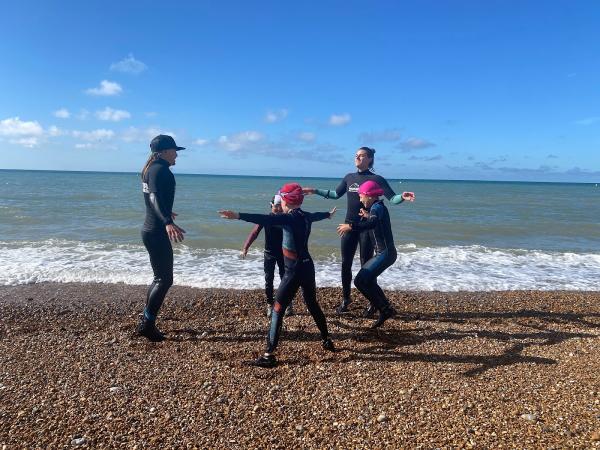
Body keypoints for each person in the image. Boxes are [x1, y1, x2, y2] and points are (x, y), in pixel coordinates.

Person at [219, 183, 337, 368]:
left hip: (293, 271)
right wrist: (328, 214)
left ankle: (268, 355)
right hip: (308, 267)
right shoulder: (306, 216)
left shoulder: (288, 219)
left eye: (281, 198)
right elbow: (318, 215)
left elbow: (264, 219)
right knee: (312, 304)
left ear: (285, 200)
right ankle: (326, 339)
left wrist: (238, 216)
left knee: (277, 309)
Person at [303, 147, 414, 315]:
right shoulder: (349, 177)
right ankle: (346, 299)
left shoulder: (377, 179)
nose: (357, 158)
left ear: (369, 159)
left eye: (361, 155)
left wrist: (403, 197)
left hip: (367, 227)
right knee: (345, 264)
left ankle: (372, 302)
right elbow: (335, 194)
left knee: (366, 265)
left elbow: (392, 198)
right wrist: (315, 191)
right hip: (349, 225)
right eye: (356, 155)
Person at [137, 134, 186, 342]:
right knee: (164, 279)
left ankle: (147, 321)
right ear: (164, 152)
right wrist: (166, 220)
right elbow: (155, 197)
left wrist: (166, 212)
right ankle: (148, 325)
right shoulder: (160, 170)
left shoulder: (152, 169)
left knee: (160, 278)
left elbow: (152, 199)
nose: (177, 154)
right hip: (156, 231)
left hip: (151, 229)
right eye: (174, 150)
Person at [336, 180, 399, 328]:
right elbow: (374, 221)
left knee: (360, 281)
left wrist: (350, 226)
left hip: (385, 253)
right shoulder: (377, 208)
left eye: (361, 196)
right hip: (385, 253)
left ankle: (384, 309)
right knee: (367, 280)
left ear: (369, 196)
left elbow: (372, 224)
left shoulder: (377, 208)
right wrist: (367, 215)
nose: (360, 199)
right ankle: (386, 308)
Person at [241, 195, 291, 317]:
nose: (278, 209)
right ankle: (269, 304)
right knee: (269, 280)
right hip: (269, 254)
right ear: (271, 205)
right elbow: (254, 232)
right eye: (276, 206)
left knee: (285, 279)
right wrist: (246, 247)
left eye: (280, 206)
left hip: (284, 253)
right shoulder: (266, 218)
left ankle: (288, 304)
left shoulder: (286, 218)